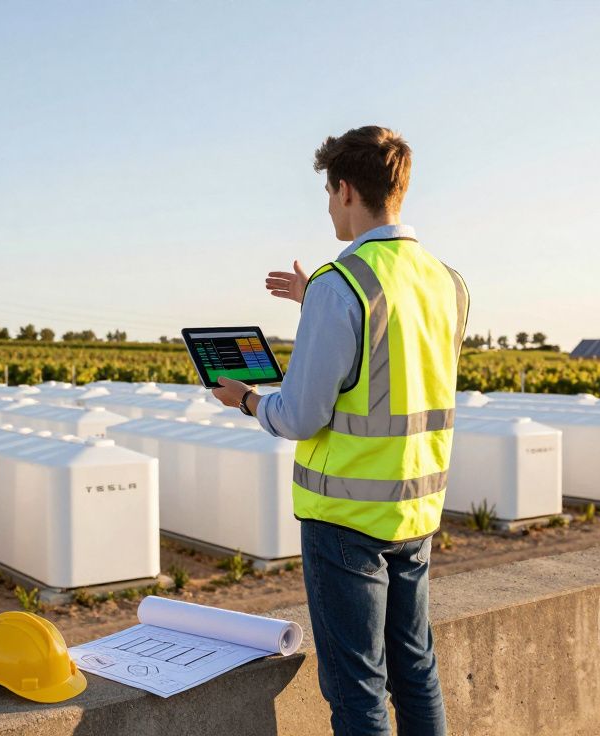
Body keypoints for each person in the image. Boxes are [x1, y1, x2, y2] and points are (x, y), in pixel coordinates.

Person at [212, 125, 468, 736]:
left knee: (358, 693)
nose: (328, 206)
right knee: (416, 670)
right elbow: (393, 350)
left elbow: (300, 416)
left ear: (347, 190)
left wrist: (247, 399)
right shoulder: (446, 281)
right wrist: (315, 301)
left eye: (329, 194)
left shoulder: (341, 284)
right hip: (416, 509)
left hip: (346, 519)